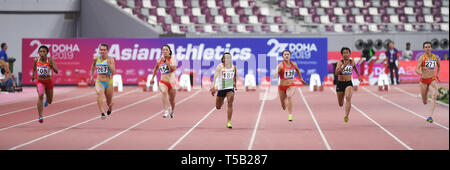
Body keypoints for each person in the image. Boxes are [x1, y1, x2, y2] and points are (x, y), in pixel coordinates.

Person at [273, 50, 308, 122]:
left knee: (289, 96)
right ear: (282, 56)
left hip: (291, 85)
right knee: (283, 105)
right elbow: (275, 74)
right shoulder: (280, 65)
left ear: (290, 56)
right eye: (285, 54)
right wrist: (276, 73)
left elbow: (298, 70)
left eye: (288, 54)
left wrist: (301, 79)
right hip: (282, 87)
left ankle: (290, 115)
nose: (286, 55)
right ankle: (284, 106)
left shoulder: (294, 64)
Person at [32, 45, 59, 123]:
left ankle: (47, 99)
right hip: (40, 82)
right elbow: (34, 68)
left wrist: (51, 66)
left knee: (50, 101)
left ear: (47, 53)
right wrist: (33, 75)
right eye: (40, 51)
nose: (42, 53)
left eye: (44, 51)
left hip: (49, 82)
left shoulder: (50, 60)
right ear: (38, 53)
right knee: (40, 95)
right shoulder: (36, 60)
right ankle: (40, 116)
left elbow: (56, 71)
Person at [335, 47, 362, 123]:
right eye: (344, 53)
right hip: (340, 84)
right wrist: (344, 66)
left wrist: (358, 76)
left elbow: (354, 68)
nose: (346, 54)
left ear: (350, 54)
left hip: (348, 83)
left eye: (347, 53)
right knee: (340, 104)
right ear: (342, 54)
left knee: (348, 97)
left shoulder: (352, 61)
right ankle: (343, 93)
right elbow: (336, 73)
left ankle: (346, 116)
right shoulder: (340, 62)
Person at [415, 41, 441, 123]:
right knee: (425, 101)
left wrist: (437, 74)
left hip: (432, 79)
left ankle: (430, 116)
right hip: (423, 81)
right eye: (426, 47)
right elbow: (416, 69)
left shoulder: (435, 57)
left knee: (434, 95)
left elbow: (439, 66)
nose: (427, 48)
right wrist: (420, 73)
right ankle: (425, 98)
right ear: (423, 49)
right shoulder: (422, 58)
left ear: (431, 48)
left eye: (429, 47)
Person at [150, 45, 177, 118]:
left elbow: (173, 68)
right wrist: (152, 78)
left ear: (169, 51)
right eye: (163, 50)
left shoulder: (173, 59)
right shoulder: (159, 60)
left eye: (166, 50)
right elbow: (155, 69)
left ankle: (172, 110)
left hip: (172, 83)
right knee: (164, 92)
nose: (164, 51)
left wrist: (165, 61)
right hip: (163, 81)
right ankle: (165, 111)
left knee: (172, 100)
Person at [210, 52, 237, 129]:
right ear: (223, 59)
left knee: (230, 102)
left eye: (229, 58)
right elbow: (215, 77)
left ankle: (229, 122)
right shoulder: (219, 66)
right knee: (218, 107)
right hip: (221, 88)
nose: (228, 59)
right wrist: (213, 86)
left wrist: (234, 83)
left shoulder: (233, 67)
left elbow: (235, 76)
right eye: (226, 58)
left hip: (229, 87)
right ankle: (221, 101)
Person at [90, 44, 116, 120]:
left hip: (108, 82)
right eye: (101, 50)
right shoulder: (96, 58)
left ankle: (110, 107)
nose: (102, 51)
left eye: (104, 50)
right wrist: (91, 76)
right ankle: (102, 113)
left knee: (108, 102)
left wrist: (109, 64)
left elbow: (114, 72)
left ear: (107, 51)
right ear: (99, 51)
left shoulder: (110, 59)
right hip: (99, 81)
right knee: (98, 93)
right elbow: (93, 66)